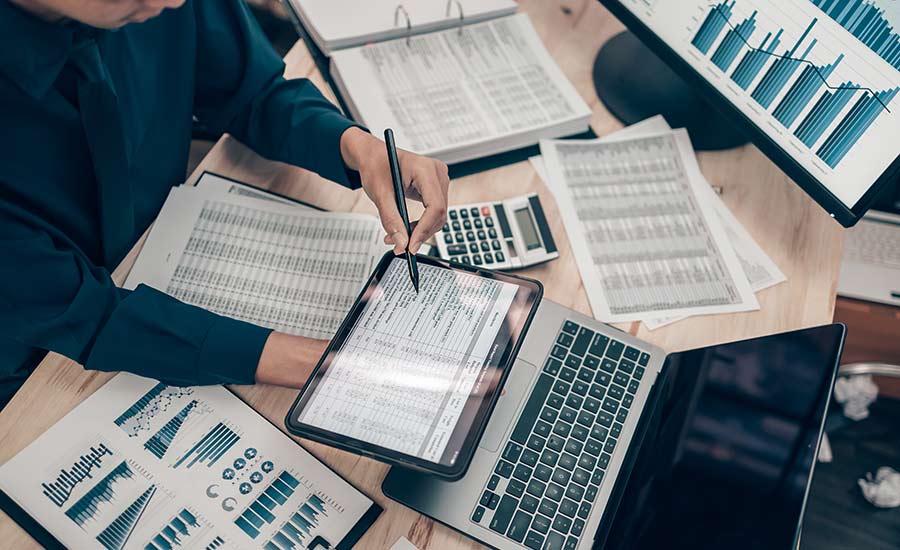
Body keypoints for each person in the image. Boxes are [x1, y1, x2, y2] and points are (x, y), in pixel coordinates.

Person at [0, 0, 449, 408]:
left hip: (168, 250)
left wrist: (355, 147)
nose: (173, 2)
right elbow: (85, 313)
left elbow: (250, 92)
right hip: (37, 365)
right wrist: (332, 362)